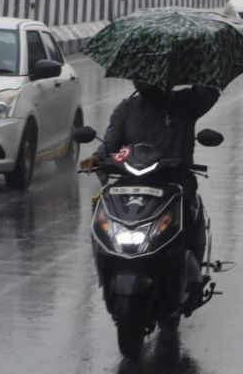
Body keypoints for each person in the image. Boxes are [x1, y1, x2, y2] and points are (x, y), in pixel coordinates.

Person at [80, 81, 220, 263]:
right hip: (132, 182)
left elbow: (209, 93)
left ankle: (190, 270)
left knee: (187, 210)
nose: (145, 82)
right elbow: (110, 145)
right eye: (140, 78)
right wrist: (97, 158)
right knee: (104, 209)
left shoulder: (185, 103)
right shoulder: (127, 108)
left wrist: (204, 65)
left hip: (174, 181)